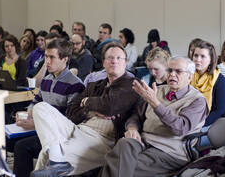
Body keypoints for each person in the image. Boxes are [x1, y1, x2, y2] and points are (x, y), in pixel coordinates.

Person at [30, 42, 142, 176]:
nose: (114, 61)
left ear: (125, 63)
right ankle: (56, 158)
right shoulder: (94, 85)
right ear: (104, 63)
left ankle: (56, 158)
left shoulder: (132, 84)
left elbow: (109, 106)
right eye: (110, 58)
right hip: (78, 127)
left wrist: (86, 101)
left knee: (46, 155)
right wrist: (91, 111)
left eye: (119, 58)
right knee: (40, 107)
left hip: (101, 138)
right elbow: (71, 112)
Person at [100, 56, 208, 177]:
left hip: (169, 151)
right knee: (123, 145)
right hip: (143, 142)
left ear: (190, 76)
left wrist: (155, 103)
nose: (172, 75)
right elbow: (136, 116)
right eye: (169, 70)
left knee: (118, 165)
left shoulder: (197, 100)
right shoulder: (158, 90)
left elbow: (179, 128)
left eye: (178, 71)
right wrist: (132, 128)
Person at [12, 38, 85, 177]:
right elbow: (35, 102)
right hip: (41, 129)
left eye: (52, 57)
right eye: (46, 56)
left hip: (59, 137)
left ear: (65, 59)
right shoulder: (46, 80)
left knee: (21, 147)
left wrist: (35, 124)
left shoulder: (75, 84)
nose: (47, 61)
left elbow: (69, 121)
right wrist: (27, 113)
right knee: (5, 139)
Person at [191, 41, 225, 126]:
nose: (198, 59)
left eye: (203, 56)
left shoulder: (220, 81)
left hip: (210, 123)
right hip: (188, 120)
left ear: (211, 60)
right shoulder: (187, 76)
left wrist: (200, 124)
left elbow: (220, 111)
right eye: (196, 55)